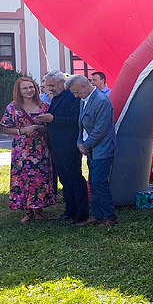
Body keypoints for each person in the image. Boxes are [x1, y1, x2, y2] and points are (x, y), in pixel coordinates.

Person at [0, 76, 55, 222]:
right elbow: (5, 128)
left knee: (40, 178)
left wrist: (38, 128)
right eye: (25, 88)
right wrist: (22, 131)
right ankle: (27, 210)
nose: (29, 90)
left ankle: (39, 210)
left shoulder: (44, 106)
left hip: (40, 148)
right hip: (21, 150)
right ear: (19, 91)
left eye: (31, 87)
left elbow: (51, 128)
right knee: (22, 178)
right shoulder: (13, 107)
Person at [36, 71, 88, 224]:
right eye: (48, 86)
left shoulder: (72, 96)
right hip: (57, 145)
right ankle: (70, 210)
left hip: (69, 145)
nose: (49, 89)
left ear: (61, 82)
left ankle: (81, 212)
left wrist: (53, 119)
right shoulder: (58, 97)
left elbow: (75, 120)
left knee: (74, 178)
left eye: (52, 85)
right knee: (65, 179)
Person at [68, 75, 117, 227]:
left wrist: (85, 145)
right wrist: (79, 142)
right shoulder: (85, 100)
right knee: (94, 182)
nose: (76, 96)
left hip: (102, 149)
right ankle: (98, 215)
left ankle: (109, 217)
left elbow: (100, 130)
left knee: (98, 182)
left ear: (84, 86)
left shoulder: (101, 101)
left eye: (77, 92)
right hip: (91, 149)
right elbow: (81, 125)